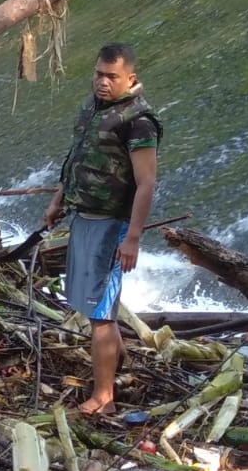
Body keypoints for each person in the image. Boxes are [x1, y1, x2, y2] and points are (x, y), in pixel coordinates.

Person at [40, 43, 160, 416]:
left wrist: (132, 237)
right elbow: (77, 157)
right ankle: (119, 369)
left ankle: (103, 397)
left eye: (111, 77)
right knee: (94, 305)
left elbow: (147, 183)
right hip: (85, 217)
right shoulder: (93, 109)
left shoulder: (137, 122)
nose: (102, 82)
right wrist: (58, 200)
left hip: (112, 225)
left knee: (101, 314)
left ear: (131, 79)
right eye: (98, 74)